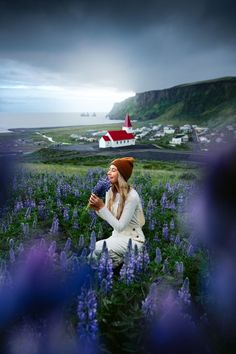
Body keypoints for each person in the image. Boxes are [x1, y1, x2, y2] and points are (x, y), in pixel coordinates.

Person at [89, 157, 145, 268]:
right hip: (117, 238)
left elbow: (120, 226)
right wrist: (96, 208)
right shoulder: (110, 191)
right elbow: (108, 216)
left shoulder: (132, 196)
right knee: (91, 256)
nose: (108, 172)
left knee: (98, 246)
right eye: (109, 170)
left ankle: (119, 264)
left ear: (121, 175)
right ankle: (116, 266)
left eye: (113, 170)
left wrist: (101, 207)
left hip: (133, 241)